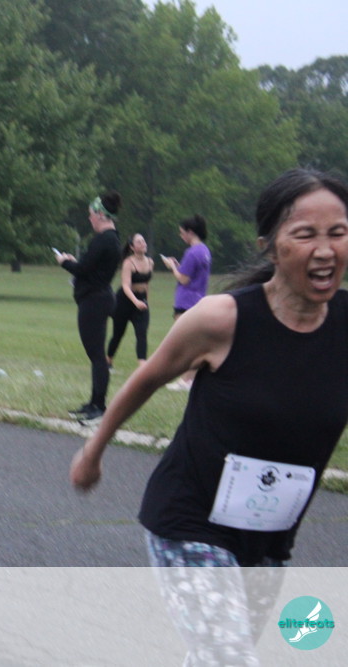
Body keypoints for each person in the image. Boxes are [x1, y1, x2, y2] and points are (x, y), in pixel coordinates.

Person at [70, 168, 348, 664]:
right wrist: (93, 451)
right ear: (269, 247)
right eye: (306, 234)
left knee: (215, 655)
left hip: (270, 535)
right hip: (189, 521)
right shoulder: (222, 319)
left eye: (338, 232)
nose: (325, 250)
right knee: (229, 656)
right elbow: (147, 378)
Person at [56, 191, 121, 422]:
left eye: (91, 214)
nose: (89, 218)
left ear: (101, 215)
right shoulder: (112, 239)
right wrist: (75, 263)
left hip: (95, 301)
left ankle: (99, 406)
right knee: (96, 354)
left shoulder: (104, 239)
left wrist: (65, 262)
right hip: (99, 298)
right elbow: (91, 267)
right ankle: (94, 402)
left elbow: (83, 269)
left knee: (97, 356)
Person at [160, 214, 211, 391]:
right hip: (198, 299)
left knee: (186, 343)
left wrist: (172, 266)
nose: (181, 236)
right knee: (194, 343)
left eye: (182, 232)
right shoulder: (204, 251)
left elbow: (183, 279)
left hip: (186, 301)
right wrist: (179, 266)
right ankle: (191, 379)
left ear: (190, 232)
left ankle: (186, 380)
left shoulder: (192, 252)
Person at [106, 233, 154, 369]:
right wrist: (136, 302)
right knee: (118, 334)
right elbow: (126, 286)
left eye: (143, 241)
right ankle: (108, 361)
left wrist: (145, 301)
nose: (143, 243)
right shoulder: (128, 263)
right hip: (124, 301)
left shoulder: (150, 262)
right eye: (139, 242)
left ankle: (142, 367)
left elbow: (146, 284)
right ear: (132, 247)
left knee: (142, 333)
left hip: (141, 301)